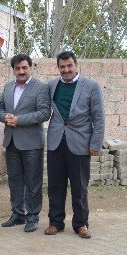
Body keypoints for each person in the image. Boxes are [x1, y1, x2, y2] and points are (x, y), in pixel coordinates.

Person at [45, 51, 105, 239]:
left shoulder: (91, 86)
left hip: (80, 143)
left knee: (79, 186)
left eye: (69, 65)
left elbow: (99, 118)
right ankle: (55, 222)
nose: (66, 70)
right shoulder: (51, 86)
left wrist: (95, 143)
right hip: (56, 142)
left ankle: (81, 224)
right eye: (62, 67)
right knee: (55, 186)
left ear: (76, 65)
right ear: (58, 68)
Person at [0, 54, 51, 233]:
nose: (21, 71)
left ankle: (32, 216)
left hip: (32, 143)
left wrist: (19, 120)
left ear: (31, 68)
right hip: (12, 142)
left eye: (24, 68)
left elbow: (44, 113)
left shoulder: (41, 87)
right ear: (13, 70)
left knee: (33, 182)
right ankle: (17, 214)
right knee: (14, 180)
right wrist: (5, 117)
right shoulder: (7, 87)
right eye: (17, 68)